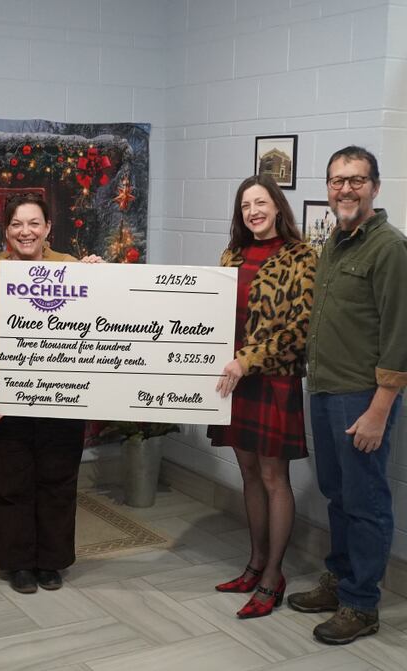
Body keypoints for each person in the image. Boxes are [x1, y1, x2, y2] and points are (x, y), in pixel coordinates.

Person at [288, 146, 407, 644]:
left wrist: (379, 410)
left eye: (356, 180)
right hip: (324, 388)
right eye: (337, 180)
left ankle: (361, 604)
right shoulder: (335, 242)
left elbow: (400, 336)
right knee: (338, 494)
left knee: (365, 501)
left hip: (361, 397)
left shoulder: (389, 248)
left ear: (374, 187)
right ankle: (339, 580)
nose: (346, 189)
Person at [0, 192, 101, 594]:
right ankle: (18, 563)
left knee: (58, 481)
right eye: (17, 224)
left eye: (34, 223)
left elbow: (101, 318)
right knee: (11, 483)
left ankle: (51, 561)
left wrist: (101, 277)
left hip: (62, 397)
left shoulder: (71, 267)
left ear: (48, 228)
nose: (26, 232)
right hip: (6, 400)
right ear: (6, 231)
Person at [207, 174, 317, 619]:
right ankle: (254, 564)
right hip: (235, 380)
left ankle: (273, 576)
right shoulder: (231, 255)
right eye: (245, 205)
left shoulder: (301, 256)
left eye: (261, 202)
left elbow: (299, 331)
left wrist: (247, 360)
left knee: (274, 478)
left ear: (277, 206)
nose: (253, 211)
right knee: (249, 473)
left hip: (271, 379)